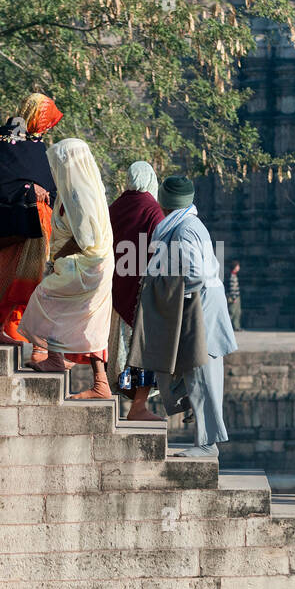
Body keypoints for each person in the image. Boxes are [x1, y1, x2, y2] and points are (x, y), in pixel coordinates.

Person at [129, 175, 237, 457]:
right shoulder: (179, 225)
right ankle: (199, 430)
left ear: (164, 202)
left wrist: (162, 288)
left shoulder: (185, 229)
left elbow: (195, 275)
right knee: (188, 370)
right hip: (193, 304)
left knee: (202, 373)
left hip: (199, 306)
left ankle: (207, 444)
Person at [19, 138, 115, 399]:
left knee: (45, 298)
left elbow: (85, 238)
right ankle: (99, 382)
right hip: (92, 263)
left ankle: (55, 358)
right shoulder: (75, 189)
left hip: (88, 263)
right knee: (90, 323)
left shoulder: (79, 193)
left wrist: (56, 259)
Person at [0, 93, 62, 345]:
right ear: (35, 118)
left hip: (37, 225)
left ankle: (14, 326)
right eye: (46, 124)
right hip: (11, 223)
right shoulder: (8, 140)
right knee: (8, 275)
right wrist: (29, 190)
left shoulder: (35, 144)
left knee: (31, 278)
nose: (47, 130)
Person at [108, 161, 165, 420]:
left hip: (115, 289)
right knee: (142, 350)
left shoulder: (114, 207)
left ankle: (111, 398)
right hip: (142, 293)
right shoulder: (153, 210)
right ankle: (139, 407)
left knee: (117, 347)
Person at [227, 261, 243, 330]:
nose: (239, 268)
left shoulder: (234, 275)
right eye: (238, 266)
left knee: (237, 312)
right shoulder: (231, 276)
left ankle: (236, 326)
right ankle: (228, 327)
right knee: (232, 312)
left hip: (237, 296)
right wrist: (234, 297)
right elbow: (232, 288)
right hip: (233, 297)